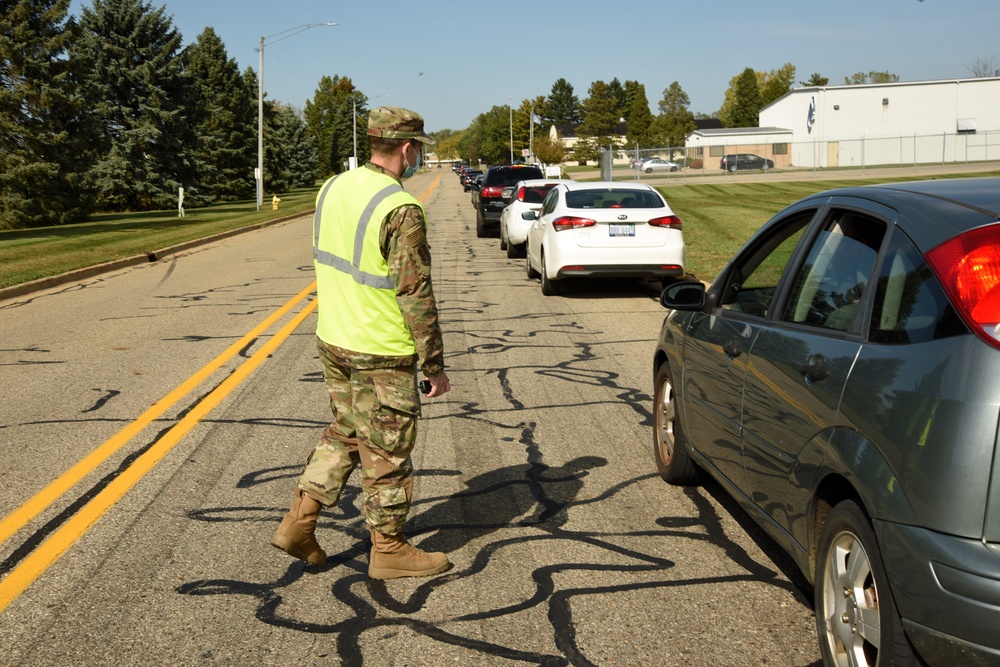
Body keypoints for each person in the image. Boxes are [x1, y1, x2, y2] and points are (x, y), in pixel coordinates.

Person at [271, 106, 451, 579]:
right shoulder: (400, 209)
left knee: (347, 432)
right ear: (408, 149)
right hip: (381, 348)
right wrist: (433, 363)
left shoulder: (332, 187)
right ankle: (389, 550)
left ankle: (299, 522)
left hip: (334, 338)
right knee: (388, 451)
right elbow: (414, 293)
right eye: (418, 153)